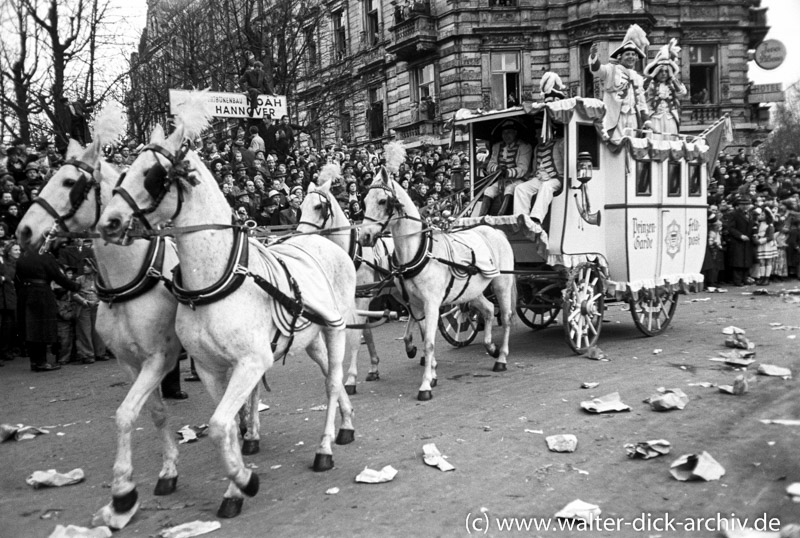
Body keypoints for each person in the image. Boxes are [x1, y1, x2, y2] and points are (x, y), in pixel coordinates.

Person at [513, 72, 567, 228]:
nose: (537, 134)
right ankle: (521, 219)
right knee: (520, 189)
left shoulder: (560, 143)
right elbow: (536, 168)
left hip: (557, 179)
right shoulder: (538, 147)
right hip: (540, 178)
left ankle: (536, 219)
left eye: (539, 131)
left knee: (547, 186)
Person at [15, 246, 81, 371]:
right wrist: (75, 286)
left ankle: (34, 361)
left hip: (25, 294)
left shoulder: (23, 255)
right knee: (42, 329)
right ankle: (42, 362)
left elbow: (16, 276)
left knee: (30, 329)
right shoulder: (46, 256)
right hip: (41, 294)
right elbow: (58, 276)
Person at [588, 24, 650, 141]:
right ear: (620, 57)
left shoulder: (637, 78)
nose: (631, 57)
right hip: (616, 118)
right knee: (616, 145)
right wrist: (593, 57)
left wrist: (646, 120)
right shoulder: (611, 70)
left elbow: (642, 102)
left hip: (633, 119)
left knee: (633, 148)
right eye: (627, 54)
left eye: (633, 55)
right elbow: (597, 70)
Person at [478, 119, 532, 216]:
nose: (507, 135)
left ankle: (501, 216)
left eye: (510, 132)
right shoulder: (496, 147)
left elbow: (523, 168)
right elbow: (490, 165)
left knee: (509, 189)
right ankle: (481, 218)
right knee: (488, 190)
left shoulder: (525, 147)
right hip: (501, 181)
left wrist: (507, 172)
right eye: (504, 133)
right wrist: (497, 168)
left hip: (518, 180)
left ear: (515, 133)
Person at [643, 39, 687, 136]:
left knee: (671, 142)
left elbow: (682, 92)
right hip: (654, 119)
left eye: (666, 71)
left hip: (670, 119)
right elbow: (640, 90)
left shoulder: (672, 84)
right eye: (661, 71)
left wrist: (672, 76)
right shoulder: (650, 84)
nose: (663, 74)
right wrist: (652, 74)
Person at [724, 195, 755, 287]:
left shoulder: (750, 214)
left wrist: (755, 233)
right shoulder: (734, 214)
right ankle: (737, 281)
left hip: (748, 241)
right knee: (738, 262)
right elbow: (730, 228)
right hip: (737, 241)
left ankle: (744, 279)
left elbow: (752, 226)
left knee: (746, 261)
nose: (745, 206)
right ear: (739, 205)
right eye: (743, 204)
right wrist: (740, 235)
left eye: (747, 204)